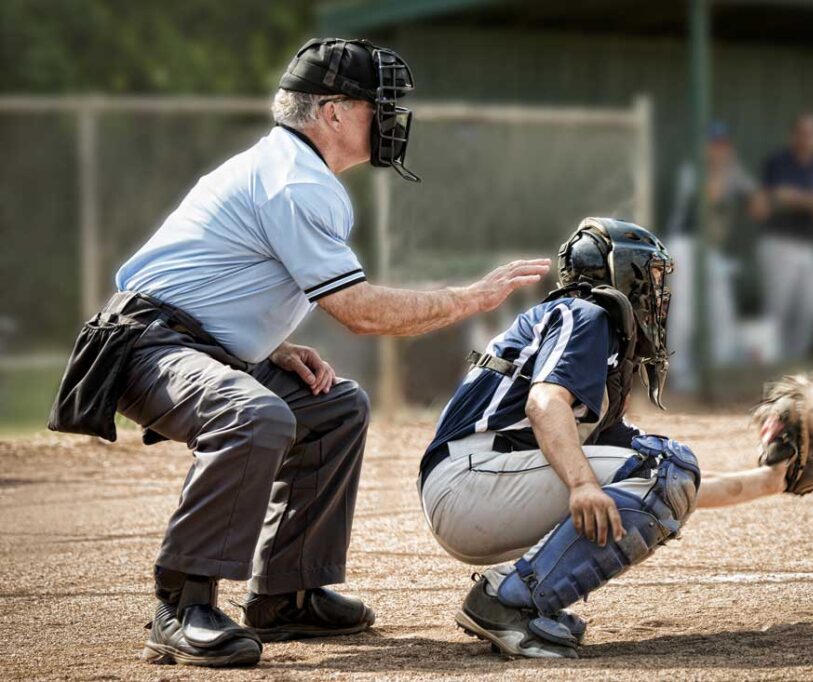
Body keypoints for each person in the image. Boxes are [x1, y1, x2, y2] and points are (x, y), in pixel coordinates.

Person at [47, 38, 548, 668]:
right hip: (144, 346)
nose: (390, 120)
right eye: (378, 105)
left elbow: (211, 276)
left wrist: (270, 345)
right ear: (333, 112)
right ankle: (180, 606)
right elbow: (360, 312)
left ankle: (288, 594)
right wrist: (469, 299)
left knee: (333, 407)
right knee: (254, 414)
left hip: (185, 340)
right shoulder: (295, 180)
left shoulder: (290, 168)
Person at [416, 218, 813, 659]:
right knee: (665, 467)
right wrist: (581, 485)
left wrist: (771, 480)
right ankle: (507, 602)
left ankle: (517, 601)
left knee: (664, 471)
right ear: (622, 273)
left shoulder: (587, 340)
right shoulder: (587, 313)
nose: (659, 293)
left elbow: (669, 486)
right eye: (653, 275)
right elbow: (544, 404)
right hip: (473, 480)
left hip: (478, 483)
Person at [664, 121, 766, 389]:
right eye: (713, 145)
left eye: (722, 144)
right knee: (684, 313)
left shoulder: (734, 171)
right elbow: (712, 193)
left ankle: (720, 373)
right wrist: (728, 171)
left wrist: (750, 189)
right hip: (684, 246)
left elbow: (760, 209)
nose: (718, 150)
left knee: (722, 313)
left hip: (712, 252)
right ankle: (681, 374)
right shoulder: (692, 170)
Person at [757, 113, 813, 359]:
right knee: (777, 312)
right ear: (794, 136)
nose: (809, 138)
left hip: (808, 247)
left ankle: (790, 363)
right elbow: (781, 195)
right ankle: (770, 365)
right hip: (779, 243)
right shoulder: (780, 162)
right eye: (804, 133)